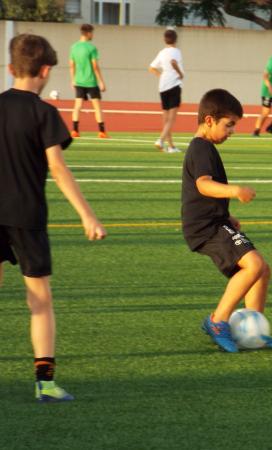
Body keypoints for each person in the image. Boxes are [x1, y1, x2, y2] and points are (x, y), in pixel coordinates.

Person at [0, 34, 107, 402]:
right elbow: (58, 169)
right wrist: (87, 216)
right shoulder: (44, 113)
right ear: (45, 70)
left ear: (11, 68)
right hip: (27, 217)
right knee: (39, 301)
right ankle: (44, 383)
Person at [182, 89, 272, 353]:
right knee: (253, 265)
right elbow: (204, 186)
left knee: (261, 270)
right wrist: (235, 191)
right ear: (209, 121)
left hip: (216, 221)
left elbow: (203, 194)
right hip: (205, 228)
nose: (232, 131)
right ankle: (217, 321)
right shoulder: (201, 148)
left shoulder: (205, 147)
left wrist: (226, 214)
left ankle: (255, 329)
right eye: (228, 125)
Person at [69, 23, 108, 139]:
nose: (93, 35)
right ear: (88, 33)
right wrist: (101, 81)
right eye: (92, 33)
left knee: (77, 106)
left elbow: (71, 65)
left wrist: (72, 80)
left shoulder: (74, 47)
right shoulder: (92, 48)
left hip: (79, 81)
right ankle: (102, 132)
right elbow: (95, 66)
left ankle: (75, 130)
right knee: (96, 106)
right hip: (91, 81)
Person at [149, 28, 184, 154]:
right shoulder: (177, 51)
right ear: (176, 39)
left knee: (165, 118)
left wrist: (161, 76)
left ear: (165, 40)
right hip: (174, 85)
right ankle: (161, 140)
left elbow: (152, 68)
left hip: (163, 86)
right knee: (172, 118)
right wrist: (180, 74)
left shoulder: (162, 52)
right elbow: (174, 63)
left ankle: (171, 146)